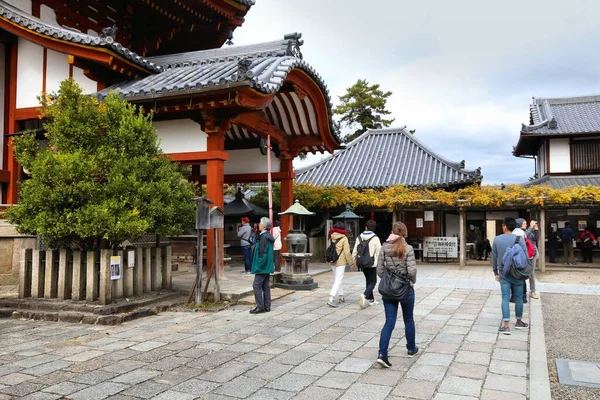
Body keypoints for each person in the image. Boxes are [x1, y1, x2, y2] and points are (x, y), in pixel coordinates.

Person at [376, 222, 418, 368]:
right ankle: (411, 349)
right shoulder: (408, 248)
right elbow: (412, 271)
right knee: (408, 319)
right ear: (404, 233)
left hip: (388, 290)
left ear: (392, 231)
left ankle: (382, 354)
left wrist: (388, 280)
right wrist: (410, 282)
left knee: (389, 321)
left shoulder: (384, 247)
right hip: (405, 288)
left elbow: (380, 270)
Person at [491, 217, 529, 335]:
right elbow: (526, 257)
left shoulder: (497, 239)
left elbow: (494, 257)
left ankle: (506, 325)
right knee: (518, 297)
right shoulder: (519, 239)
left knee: (505, 297)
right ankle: (518, 321)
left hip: (504, 273)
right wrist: (527, 273)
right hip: (518, 273)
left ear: (505, 226)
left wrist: (495, 272)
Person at [352, 220, 382, 309]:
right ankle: (364, 295)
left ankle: (371, 299)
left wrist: (354, 260)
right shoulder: (375, 238)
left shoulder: (359, 237)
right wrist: (377, 262)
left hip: (362, 262)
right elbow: (379, 252)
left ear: (366, 227)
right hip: (371, 263)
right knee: (373, 281)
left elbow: (355, 250)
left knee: (368, 280)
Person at [250, 217, 275, 314]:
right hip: (267, 265)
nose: (259, 225)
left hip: (262, 266)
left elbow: (262, 253)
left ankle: (260, 306)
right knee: (265, 286)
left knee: (256, 285)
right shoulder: (267, 236)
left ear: (264, 226)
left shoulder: (264, 237)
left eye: (260, 223)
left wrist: (258, 266)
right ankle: (267, 306)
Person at [327, 222, 353, 308]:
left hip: (333, 260)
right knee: (338, 279)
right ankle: (331, 298)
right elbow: (347, 252)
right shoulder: (344, 238)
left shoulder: (331, 235)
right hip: (340, 261)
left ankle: (341, 296)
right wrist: (351, 263)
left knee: (338, 278)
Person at [510, 218, 528, 304]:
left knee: (513, 276)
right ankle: (523, 296)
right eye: (524, 224)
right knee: (522, 277)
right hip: (522, 256)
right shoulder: (522, 233)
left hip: (513, 256)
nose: (525, 225)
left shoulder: (512, 232)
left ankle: (513, 295)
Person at [525, 220, 539, 299]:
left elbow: (536, 238)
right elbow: (525, 236)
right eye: (524, 223)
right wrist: (530, 227)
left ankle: (532, 291)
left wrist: (536, 229)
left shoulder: (533, 231)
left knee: (532, 273)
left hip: (532, 253)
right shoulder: (524, 231)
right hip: (524, 254)